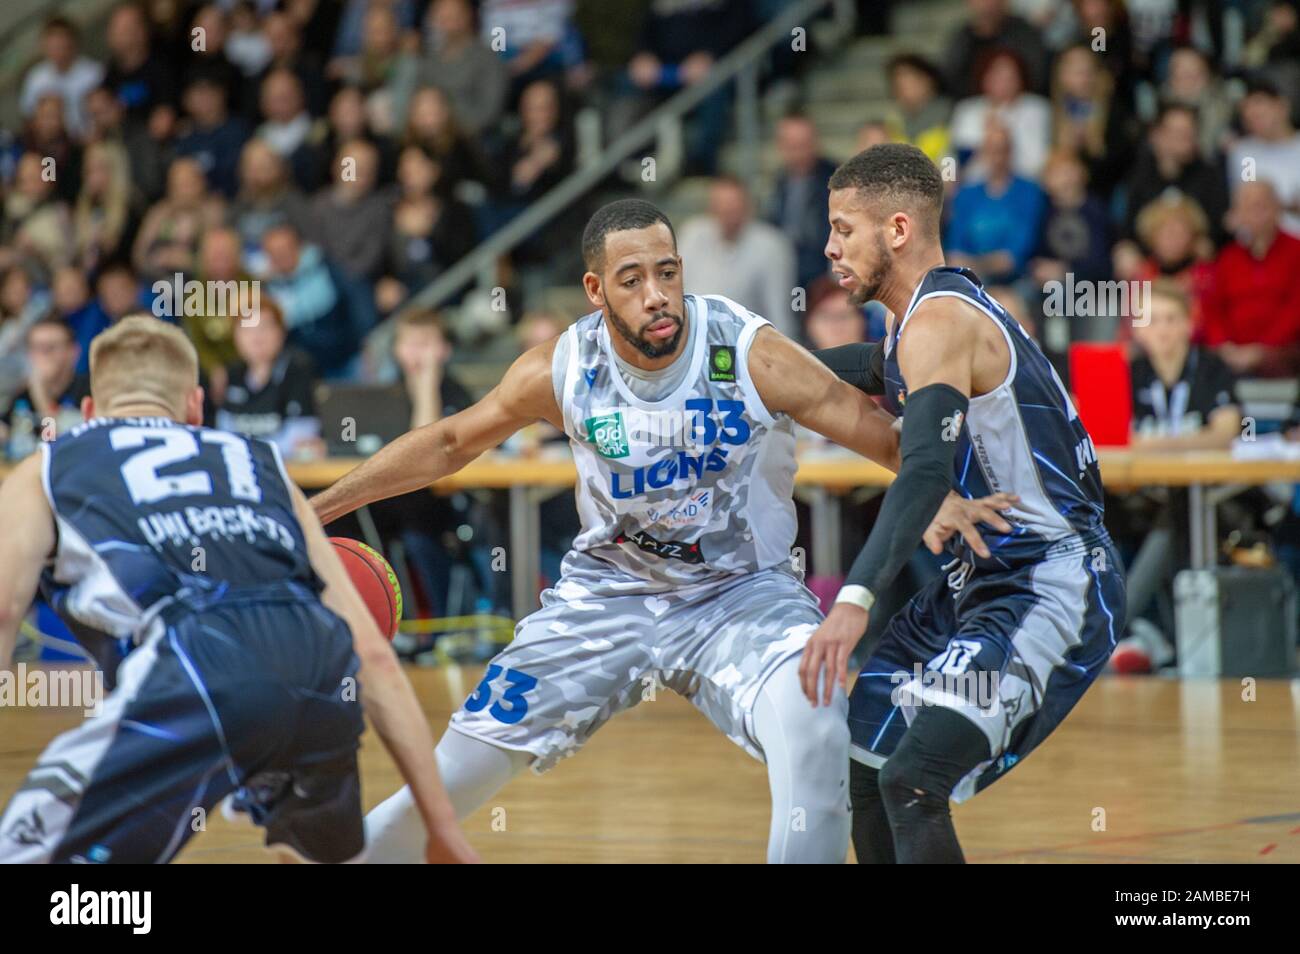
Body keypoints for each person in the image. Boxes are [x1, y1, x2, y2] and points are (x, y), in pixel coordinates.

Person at [308, 198, 1014, 863]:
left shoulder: (747, 351)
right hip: (607, 595)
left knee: (817, 722)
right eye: (632, 278)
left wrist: (940, 495)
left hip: (744, 598)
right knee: (452, 775)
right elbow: (449, 442)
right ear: (595, 290)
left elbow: (877, 434)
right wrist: (317, 513)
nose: (657, 294)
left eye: (668, 272)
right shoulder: (561, 367)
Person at [0, 315, 475, 864]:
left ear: (88, 414)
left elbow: (6, 610)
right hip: (319, 669)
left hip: (195, 665)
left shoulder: (47, 465)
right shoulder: (262, 461)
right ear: (196, 406)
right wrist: (442, 826)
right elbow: (371, 652)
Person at [807, 143, 1125, 864]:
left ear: (896, 229)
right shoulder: (916, 321)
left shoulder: (940, 324)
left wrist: (853, 599)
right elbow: (835, 374)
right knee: (860, 765)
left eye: (842, 228)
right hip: (972, 588)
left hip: (1050, 580)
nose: (828, 247)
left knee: (915, 782)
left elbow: (923, 470)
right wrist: (730, 364)